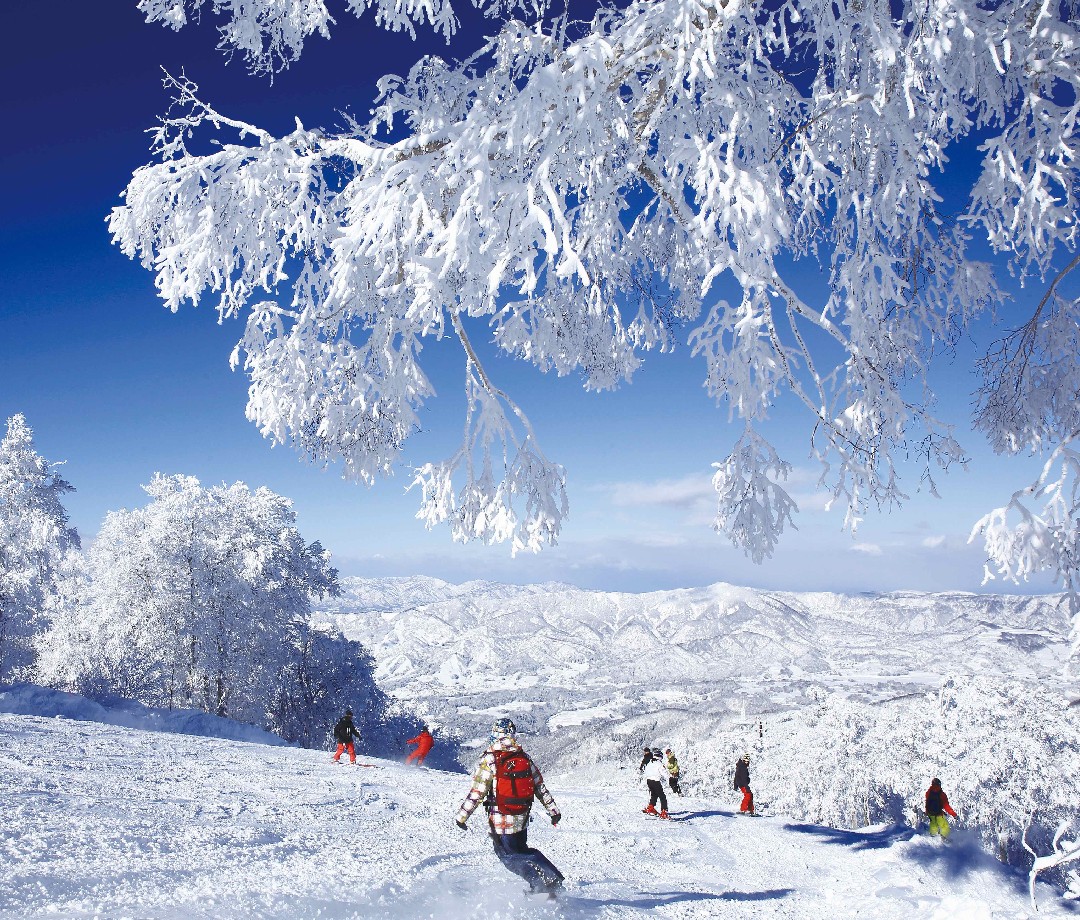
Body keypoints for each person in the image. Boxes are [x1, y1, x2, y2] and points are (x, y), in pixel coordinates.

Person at [455, 718, 564, 898]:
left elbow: (478, 791)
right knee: (520, 851)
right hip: (522, 815)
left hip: (502, 819)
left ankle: (546, 882)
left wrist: (462, 816)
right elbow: (540, 787)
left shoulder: (490, 759)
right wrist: (553, 811)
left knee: (508, 857)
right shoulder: (523, 757)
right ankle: (543, 885)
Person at [642, 746, 670, 818]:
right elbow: (664, 773)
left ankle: (651, 807)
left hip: (648, 780)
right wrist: (669, 779)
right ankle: (664, 811)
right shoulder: (659, 764)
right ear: (660, 756)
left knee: (654, 794)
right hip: (655, 780)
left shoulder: (650, 762)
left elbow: (646, 770)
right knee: (662, 796)